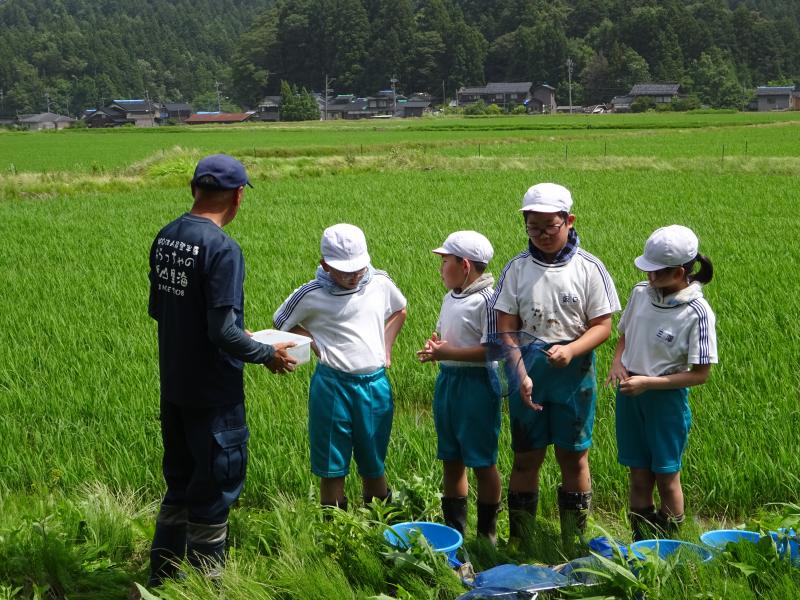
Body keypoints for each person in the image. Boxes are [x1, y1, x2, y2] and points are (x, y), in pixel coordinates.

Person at [147, 154, 298, 586]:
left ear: (193, 189)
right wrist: (267, 353)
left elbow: (162, 310)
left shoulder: (167, 236)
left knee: (179, 485)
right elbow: (221, 332)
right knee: (215, 490)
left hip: (175, 388)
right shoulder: (222, 249)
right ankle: (205, 588)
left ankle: (161, 582)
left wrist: (233, 330)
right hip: (214, 396)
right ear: (237, 197)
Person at [490, 182, 620, 549]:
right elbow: (506, 327)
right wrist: (520, 373)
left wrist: (572, 350)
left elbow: (603, 326)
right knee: (525, 456)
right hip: (528, 370)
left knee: (573, 456)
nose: (543, 234)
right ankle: (520, 539)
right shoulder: (517, 268)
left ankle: (573, 540)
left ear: (569, 220)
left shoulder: (589, 268)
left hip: (574, 374)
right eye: (534, 227)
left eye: (551, 225)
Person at [273, 223, 407, 510]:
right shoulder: (311, 294)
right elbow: (281, 321)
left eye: (358, 269)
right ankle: (335, 527)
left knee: (374, 461)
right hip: (332, 387)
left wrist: (386, 347)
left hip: (374, 385)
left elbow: (400, 309)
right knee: (332, 464)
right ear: (325, 265)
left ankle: (380, 523)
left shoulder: (379, 282)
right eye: (345, 271)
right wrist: (313, 342)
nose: (354, 276)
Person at [606, 225, 717, 541]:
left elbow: (700, 374)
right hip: (631, 394)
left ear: (680, 272)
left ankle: (669, 548)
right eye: (649, 270)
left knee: (667, 477)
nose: (650, 277)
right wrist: (618, 362)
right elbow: (624, 333)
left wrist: (648, 383)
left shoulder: (697, 312)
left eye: (657, 272)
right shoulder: (641, 292)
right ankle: (641, 547)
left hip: (665, 401)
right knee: (638, 475)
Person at [417, 231, 502, 544]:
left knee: (482, 461)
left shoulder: (488, 301)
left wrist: (447, 352)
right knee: (451, 458)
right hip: (449, 382)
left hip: (477, 385)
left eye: (445, 261)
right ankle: (454, 533)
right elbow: (446, 338)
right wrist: (435, 347)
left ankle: (487, 535)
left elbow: (494, 350)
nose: (440, 268)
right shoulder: (450, 297)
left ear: (465, 265)